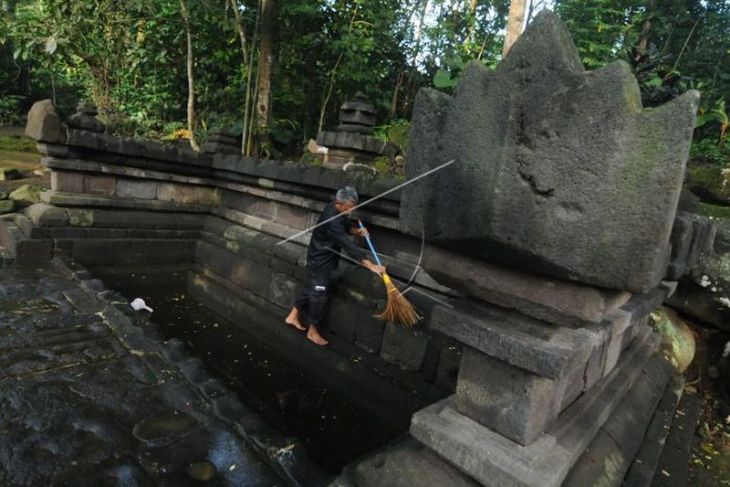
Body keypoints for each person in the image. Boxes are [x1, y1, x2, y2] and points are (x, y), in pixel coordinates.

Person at [285, 186, 386, 346]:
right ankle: (312, 331)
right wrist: (370, 265)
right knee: (319, 295)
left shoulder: (337, 209)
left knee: (313, 286)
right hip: (320, 261)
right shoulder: (331, 219)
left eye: (352, 209)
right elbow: (346, 243)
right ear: (339, 203)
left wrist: (356, 231)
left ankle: (292, 316)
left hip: (327, 257)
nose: (350, 212)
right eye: (348, 209)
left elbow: (344, 226)